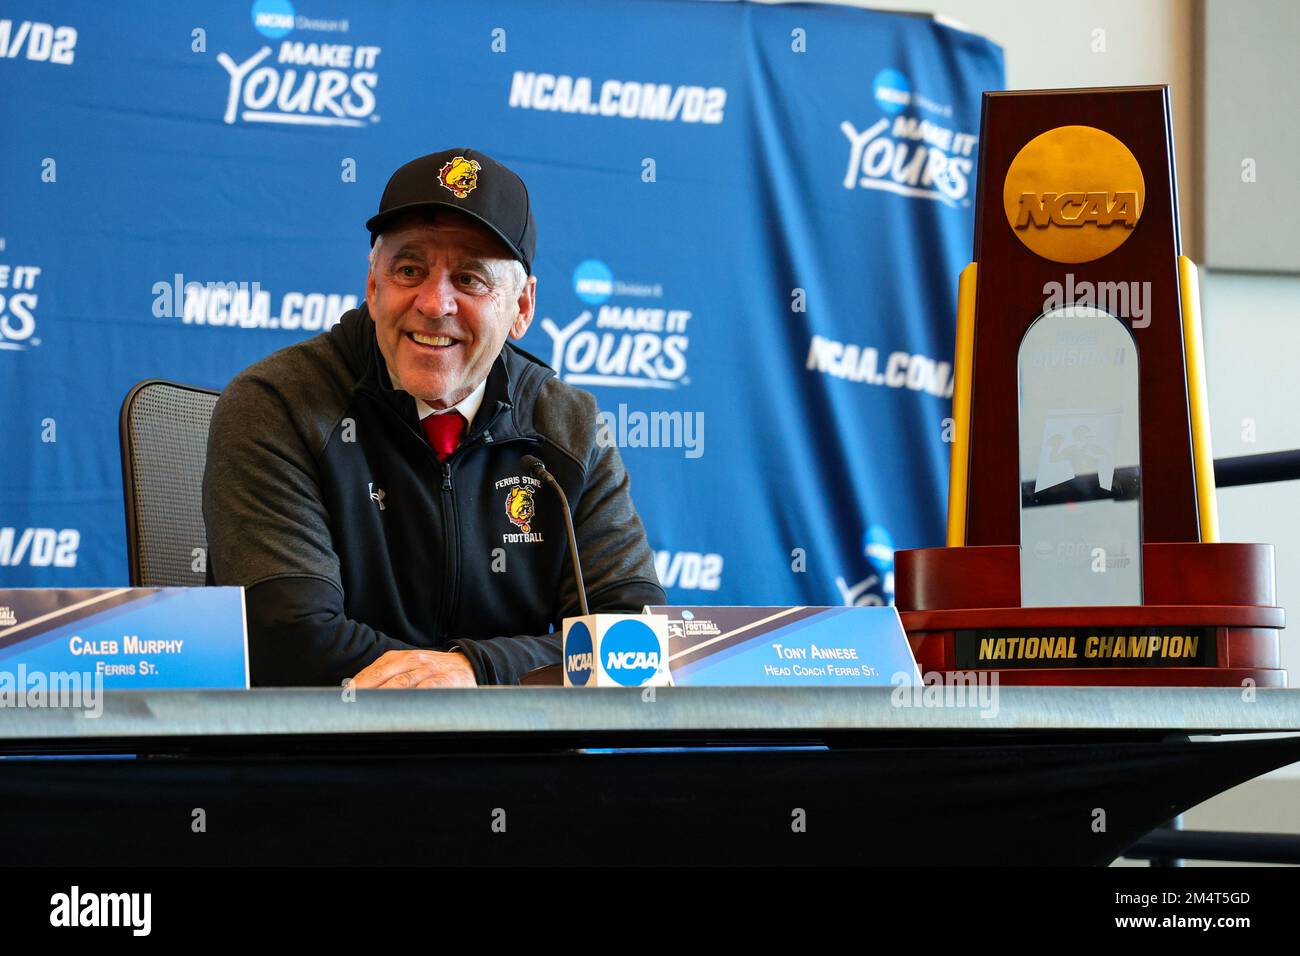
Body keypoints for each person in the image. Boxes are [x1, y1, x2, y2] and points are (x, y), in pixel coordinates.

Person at [202, 147, 665, 688]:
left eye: (469, 279)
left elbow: (632, 641)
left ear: (521, 308)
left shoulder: (568, 425)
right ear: (373, 287)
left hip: (519, 758)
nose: (433, 302)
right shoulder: (277, 404)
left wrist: (477, 672)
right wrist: (466, 683)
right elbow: (290, 635)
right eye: (409, 269)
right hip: (329, 756)